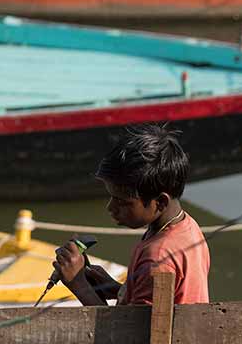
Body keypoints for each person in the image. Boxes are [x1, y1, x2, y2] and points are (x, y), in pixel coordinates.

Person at [51, 124, 210, 309]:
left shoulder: (157, 257)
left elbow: (126, 335)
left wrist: (78, 284)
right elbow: (151, 307)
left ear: (160, 202)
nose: (111, 208)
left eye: (122, 201)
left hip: (165, 338)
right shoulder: (187, 226)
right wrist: (114, 287)